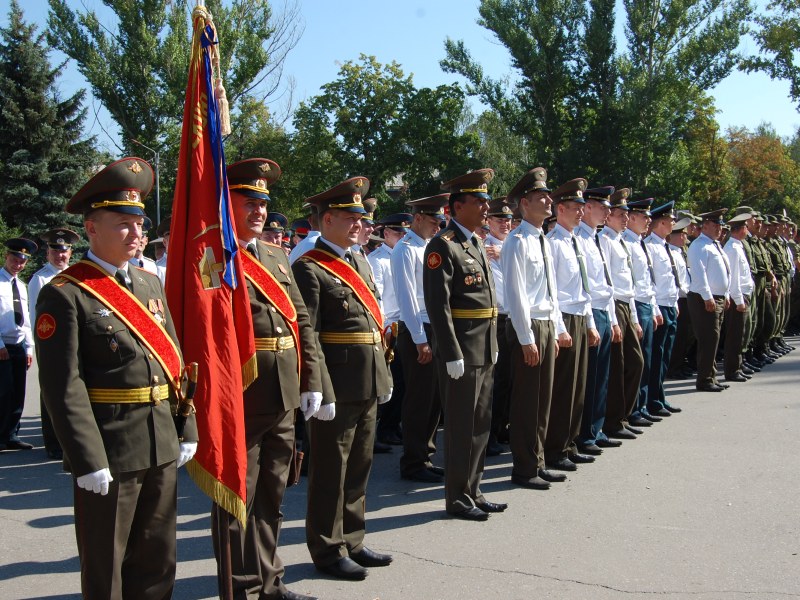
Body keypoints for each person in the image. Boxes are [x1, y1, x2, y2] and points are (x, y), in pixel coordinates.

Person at [35, 157, 198, 599]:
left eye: (140, 223)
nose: (137, 233)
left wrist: (186, 425)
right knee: (106, 563)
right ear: (91, 229)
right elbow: (62, 386)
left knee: (157, 559)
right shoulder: (65, 293)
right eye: (123, 223)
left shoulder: (148, 284)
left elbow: (174, 360)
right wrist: (87, 457)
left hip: (160, 438)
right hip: (110, 446)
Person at [211, 158, 322, 600]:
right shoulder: (213, 257)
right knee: (239, 494)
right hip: (241, 392)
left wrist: (312, 379)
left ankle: (269, 581)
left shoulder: (275, 255)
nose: (259, 211)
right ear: (226, 203)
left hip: (284, 391)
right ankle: (241, 587)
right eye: (248, 201)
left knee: (274, 492)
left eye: (263, 203)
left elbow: (301, 321)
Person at [292, 177, 393, 581]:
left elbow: (371, 322)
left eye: (360, 217)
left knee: (359, 466)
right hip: (337, 382)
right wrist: (318, 386)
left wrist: (382, 374)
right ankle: (327, 548)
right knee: (330, 471)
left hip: (367, 377)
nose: (359, 224)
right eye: (350, 217)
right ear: (328, 218)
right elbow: (308, 333)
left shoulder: (359, 261)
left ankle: (352, 537)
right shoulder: (309, 268)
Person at [423, 169, 506, 521]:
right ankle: (457, 497)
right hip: (462, 350)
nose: (486, 207)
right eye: (479, 201)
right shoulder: (443, 245)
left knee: (481, 423)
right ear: (458, 206)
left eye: (486, 200)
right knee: (459, 427)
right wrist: (452, 351)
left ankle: (474, 488)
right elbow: (438, 305)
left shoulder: (474, 242)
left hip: (484, 346)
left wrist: (493, 341)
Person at [503, 167, 567, 490]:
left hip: (545, 324)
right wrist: (527, 339)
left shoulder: (542, 238)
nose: (548, 199)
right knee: (527, 402)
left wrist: (556, 329)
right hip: (528, 327)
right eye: (540, 196)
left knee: (543, 400)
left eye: (548, 195)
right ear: (524, 204)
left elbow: (550, 291)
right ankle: (524, 467)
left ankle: (537, 461)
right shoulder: (516, 241)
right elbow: (516, 296)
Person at [393, 195, 450, 483]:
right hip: (419, 329)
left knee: (434, 398)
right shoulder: (405, 250)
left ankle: (425, 455)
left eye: (440, 221)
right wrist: (419, 339)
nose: (437, 226)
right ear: (417, 218)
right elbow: (406, 298)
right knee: (419, 398)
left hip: (434, 327)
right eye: (432, 221)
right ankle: (413, 461)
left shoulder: (429, 246)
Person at [545, 178, 600, 473]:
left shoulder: (576, 241)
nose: (581, 212)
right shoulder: (552, 243)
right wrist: (559, 328)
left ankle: (570, 442)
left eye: (582, 207)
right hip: (564, 317)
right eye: (576, 207)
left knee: (578, 386)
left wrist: (590, 323)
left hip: (579, 315)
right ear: (560, 208)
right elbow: (552, 291)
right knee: (564, 388)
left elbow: (584, 287)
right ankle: (554, 448)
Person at [28, 227, 80, 459]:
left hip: (75, 340)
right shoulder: (40, 279)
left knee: (72, 388)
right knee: (51, 389)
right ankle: (53, 442)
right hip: (50, 341)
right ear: (48, 252)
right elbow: (35, 316)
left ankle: (70, 437)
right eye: (56, 251)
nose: (61, 255)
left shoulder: (76, 275)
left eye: (65, 251)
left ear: (70, 252)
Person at [574, 186, 619, 456]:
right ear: (588, 207)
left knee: (601, 377)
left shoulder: (596, 239)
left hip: (603, 310)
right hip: (590, 312)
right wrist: (592, 323)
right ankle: (583, 433)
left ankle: (596, 428)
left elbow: (605, 283)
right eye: (603, 207)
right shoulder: (578, 238)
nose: (608, 212)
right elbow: (584, 287)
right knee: (588, 379)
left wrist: (612, 320)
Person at [600, 190, 646, 445]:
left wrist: (635, 318)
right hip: (614, 305)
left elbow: (630, 281)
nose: (625, 218)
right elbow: (607, 282)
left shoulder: (620, 241)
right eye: (620, 214)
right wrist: (615, 319)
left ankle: (623, 416)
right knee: (618, 367)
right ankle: (614, 421)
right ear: (609, 218)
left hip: (627, 304)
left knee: (634, 362)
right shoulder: (605, 241)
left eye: (627, 214)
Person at [369, 213, 412, 448]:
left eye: (406, 233)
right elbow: (378, 296)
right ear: (386, 234)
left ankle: (393, 425)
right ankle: (385, 428)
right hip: (391, 325)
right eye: (398, 233)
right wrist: (384, 328)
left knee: (403, 380)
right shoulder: (378, 259)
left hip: (405, 323)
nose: (403, 237)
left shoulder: (403, 255)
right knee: (392, 380)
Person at [623, 198, 664, 425]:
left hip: (647, 304)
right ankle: (633, 408)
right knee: (635, 362)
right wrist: (635, 315)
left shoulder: (639, 243)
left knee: (647, 359)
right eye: (644, 216)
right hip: (636, 305)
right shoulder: (626, 243)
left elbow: (648, 280)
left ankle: (643, 405)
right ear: (632, 218)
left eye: (649, 217)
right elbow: (630, 283)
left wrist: (655, 307)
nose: (649, 221)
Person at [644, 201, 682, 415]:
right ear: (661, 222)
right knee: (656, 356)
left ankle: (660, 396)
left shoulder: (665, 246)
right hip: (658, 305)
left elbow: (670, 280)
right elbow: (652, 281)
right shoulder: (649, 246)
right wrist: (657, 308)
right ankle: (652, 401)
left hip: (669, 303)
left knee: (665, 355)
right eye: (671, 220)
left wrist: (675, 303)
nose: (674, 223)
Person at [686, 209, 731, 392]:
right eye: (715, 225)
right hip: (704, 298)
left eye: (720, 225)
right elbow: (699, 274)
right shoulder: (699, 246)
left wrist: (726, 294)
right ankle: (704, 379)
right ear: (705, 226)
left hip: (717, 297)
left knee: (714, 339)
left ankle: (711, 376)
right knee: (708, 339)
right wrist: (707, 297)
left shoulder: (715, 245)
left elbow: (723, 272)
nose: (719, 229)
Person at [483, 197, 514, 456]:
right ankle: (490, 432)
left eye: (508, 220)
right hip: (497, 319)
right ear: (488, 222)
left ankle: (503, 426)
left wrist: (505, 255)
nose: (505, 224)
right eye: (499, 220)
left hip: (514, 317)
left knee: (511, 379)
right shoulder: (483, 247)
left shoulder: (512, 246)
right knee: (497, 380)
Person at [0, 237, 37, 452]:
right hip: (3, 344)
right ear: (7, 257)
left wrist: (29, 348)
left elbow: (26, 319)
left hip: (19, 345)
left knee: (18, 392)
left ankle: (12, 434)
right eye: (15, 259)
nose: (18, 264)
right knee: (3, 392)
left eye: (22, 261)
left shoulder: (21, 286)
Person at [723, 209, 756, 382]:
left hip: (743, 295)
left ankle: (738, 365)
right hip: (739, 297)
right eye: (745, 227)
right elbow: (733, 277)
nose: (748, 230)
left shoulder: (737, 246)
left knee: (740, 334)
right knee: (735, 335)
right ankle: (732, 370)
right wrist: (738, 300)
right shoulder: (732, 248)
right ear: (740, 229)